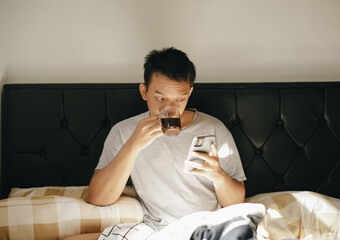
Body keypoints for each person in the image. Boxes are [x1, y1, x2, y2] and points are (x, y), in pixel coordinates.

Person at [65, 47, 246, 240]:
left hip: (207, 228)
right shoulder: (124, 131)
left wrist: (218, 175)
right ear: (144, 92)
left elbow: (236, 203)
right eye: (161, 98)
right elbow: (98, 198)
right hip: (156, 232)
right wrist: (133, 145)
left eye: (180, 99)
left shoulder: (213, 128)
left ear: (190, 93)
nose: (170, 108)